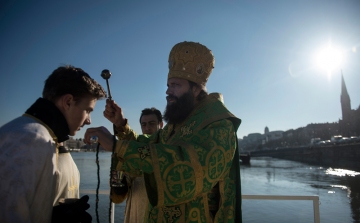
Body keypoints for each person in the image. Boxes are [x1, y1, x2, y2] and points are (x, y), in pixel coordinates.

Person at [85, 41, 242, 222]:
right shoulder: (177, 124)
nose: (168, 91)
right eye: (168, 85)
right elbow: (148, 145)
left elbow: (187, 168)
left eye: (175, 85)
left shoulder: (219, 124)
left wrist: (117, 147)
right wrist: (120, 124)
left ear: (196, 89)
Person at [0, 65, 106, 223]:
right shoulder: (28, 140)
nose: (89, 120)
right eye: (88, 110)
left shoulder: (46, 139)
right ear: (68, 102)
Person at [111, 107, 163, 222]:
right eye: (143, 125)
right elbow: (127, 178)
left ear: (161, 125)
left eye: (152, 123)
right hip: (135, 206)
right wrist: (120, 183)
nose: (147, 128)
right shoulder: (137, 149)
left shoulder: (167, 148)